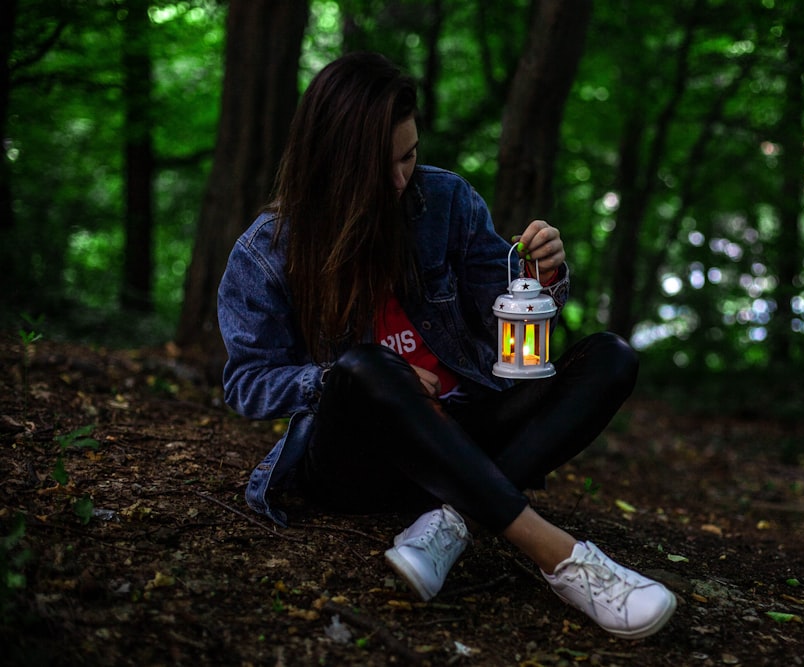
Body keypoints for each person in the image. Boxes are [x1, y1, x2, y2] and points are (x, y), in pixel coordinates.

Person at [217, 51, 676, 640]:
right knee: (361, 368)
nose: (399, 179)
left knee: (610, 355)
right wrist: (337, 378)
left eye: (408, 157)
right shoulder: (267, 250)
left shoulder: (447, 202)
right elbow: (246, 382)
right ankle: (564, 560)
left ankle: (451, 521)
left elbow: (503, 321)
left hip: (466, 430)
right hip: (360, 461)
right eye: (377, 166)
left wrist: (540, 279)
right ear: (330, 162)